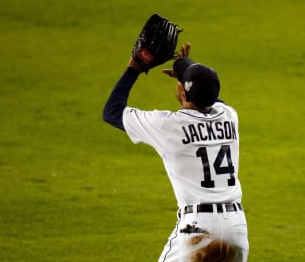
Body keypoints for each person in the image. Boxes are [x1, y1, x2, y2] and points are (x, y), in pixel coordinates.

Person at [103, 42, 249, 261]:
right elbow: (208, 96)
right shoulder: (229, 115)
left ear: (186, 95)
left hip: (198, 229)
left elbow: (112, 111)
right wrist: (186, 71)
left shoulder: (170, 126)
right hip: (236, 227)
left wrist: (134, 68)